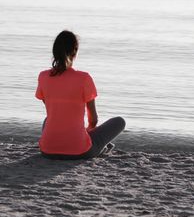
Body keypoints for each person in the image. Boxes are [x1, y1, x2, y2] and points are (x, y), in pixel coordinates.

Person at [35, 30, 126, 159]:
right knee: (119, 122)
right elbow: (93, 120)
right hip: (79, 151)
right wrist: (87, 131)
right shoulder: (84, 78)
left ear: (54, 52)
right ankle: (100, 148)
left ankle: (67, 141)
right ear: (75, 52)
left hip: (47, 151)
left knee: (48, 120)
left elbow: (52, 111)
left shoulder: (43, 76)